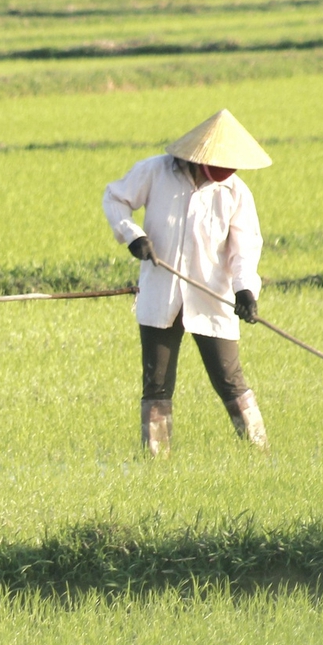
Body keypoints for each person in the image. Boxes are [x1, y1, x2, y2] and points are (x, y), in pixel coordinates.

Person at [102, 110, 271, 454]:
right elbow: (115, 199)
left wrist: (245, 290)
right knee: (157, 383)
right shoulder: (155, 171)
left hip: (212, 297)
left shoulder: (235, 192)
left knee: (230, 380)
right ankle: (157, 459)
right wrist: (133, 235)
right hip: (161, 292)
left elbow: (245, 249)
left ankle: (259, 452)